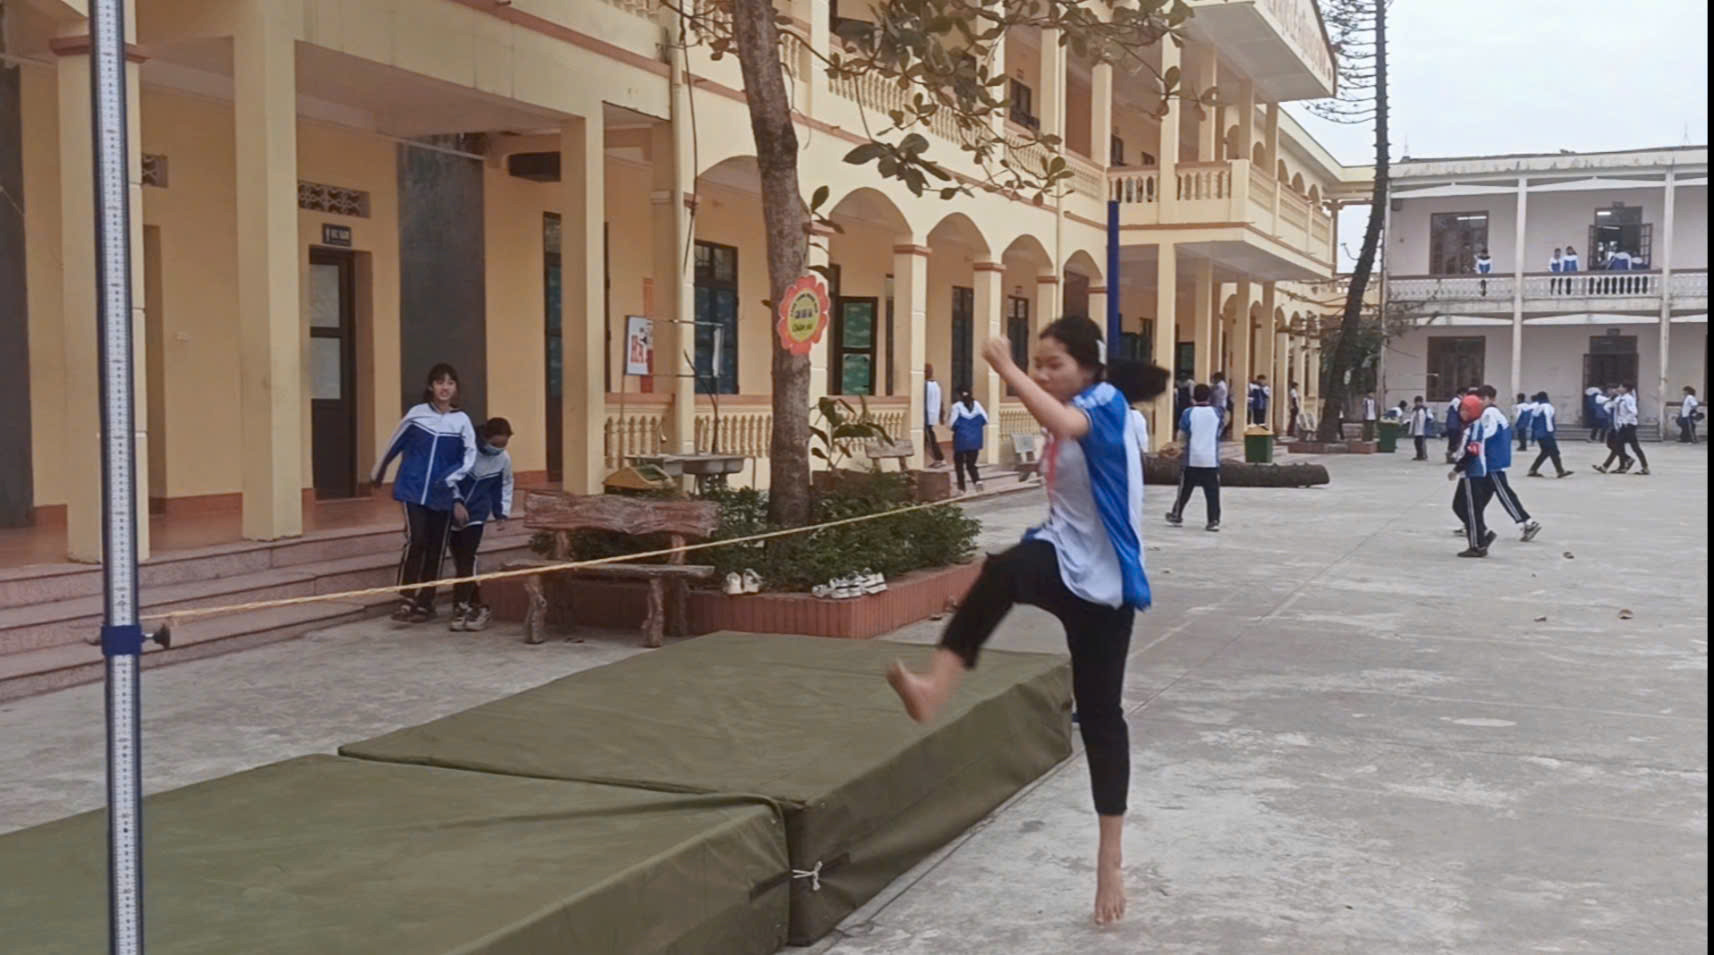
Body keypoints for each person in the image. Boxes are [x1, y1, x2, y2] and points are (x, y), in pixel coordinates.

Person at [886, 316, 1151, 927]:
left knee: (1101, 717)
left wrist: (1005, 368)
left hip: (1107, 587)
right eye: (1037, 363)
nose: (1042, 374)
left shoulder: (1105, 401)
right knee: (1003, 570)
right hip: (1061, 556)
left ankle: (1110, 857)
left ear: (1088, 367)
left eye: (1055, 364)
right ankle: (933, 689)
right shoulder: (1066, 408)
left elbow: (1066, 424)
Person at [374, 363, 478, 623]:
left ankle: (426, 602)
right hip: (412, 489)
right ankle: (407, 597)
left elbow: (469, 458)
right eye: (440, 382)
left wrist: (451, 484)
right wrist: (378, 472)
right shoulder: (417, 414)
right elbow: (394, 443)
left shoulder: (462, 421)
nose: (445, 387)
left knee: (436, 548)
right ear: (430, 386)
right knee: (417, 539)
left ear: (456, 388)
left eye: (450, 382)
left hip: (442, 494)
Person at [448, 417, 515, 632]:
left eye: (504, 444)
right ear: (485, 438)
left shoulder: (503, 459)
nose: (499, 449)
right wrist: (456, 502)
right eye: (495, 444)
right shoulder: (467, 451)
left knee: (468, 557)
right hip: (451, 511)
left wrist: (501, 513)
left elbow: (504, 485)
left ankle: (460, 606)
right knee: (460, 560)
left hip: (477, 514)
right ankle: (476, 604)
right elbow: (450, 478)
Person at [1474, 385, 1542, 542]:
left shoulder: (1490, 412)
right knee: (1481, 495)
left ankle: (1527, 522)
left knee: (1504, 493)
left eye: (1482, 399)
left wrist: (1474, 438)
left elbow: (1488, 432)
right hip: (1493, 459)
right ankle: (1472, 522)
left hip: (1493, 460)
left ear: (1490, 399)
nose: (1480, 402)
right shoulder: (1495, 412)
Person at [1166, 384, 1222, 531]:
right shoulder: (1217, 413)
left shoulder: (1188, 412)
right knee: (1212, 492)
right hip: (1211, 459)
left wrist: (1179, 448)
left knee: (1185, 489)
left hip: (1192, 458)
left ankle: (1177, 514)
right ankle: (1213, 521)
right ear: (1209, 397)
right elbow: (1219, 430)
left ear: (1193, 397)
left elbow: (1182, 434)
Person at [1449, 394, 1494, 558]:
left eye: (1465, 410)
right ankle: (1483, 534)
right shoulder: (1469, 426)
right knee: (1458, 506)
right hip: (1468, 472)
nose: (1462, 413)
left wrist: (1457, 468)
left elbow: (1472, 451)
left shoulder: (1475, 427)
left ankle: (1477, 546)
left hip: (1472, 472)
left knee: (1471, 510)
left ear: (1473, 411)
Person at [1596, 383, 1650, 475]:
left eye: (1620, 387)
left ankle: (1643, 467)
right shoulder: (1619, 398)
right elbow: (1611, 405)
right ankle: (1622, 466)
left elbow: (1634, 412)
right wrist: (1607, 402)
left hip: (1629, 425)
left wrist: (1625, 422)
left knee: (1633, 447)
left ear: (1626, 389)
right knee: (1619, 446)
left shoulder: (1629, 399)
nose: (1618, 388)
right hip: (1621, 426)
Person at [948, 388, 988, 493]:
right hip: (975, 441)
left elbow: (951, 424)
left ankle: (961, 487)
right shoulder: (977, 405)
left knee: (959, 464)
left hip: (961, 440)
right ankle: (977, 481)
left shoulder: (956, 406)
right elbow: (985, 420)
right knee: (971, 464)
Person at [1525, 392, 1572, 479]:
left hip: (1539, 434)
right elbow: (1548, 419)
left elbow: (1532, 421)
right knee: (1554, 451)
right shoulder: (1547, 406)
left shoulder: (1537, 407)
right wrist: (1550, 431)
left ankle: (1533, 470)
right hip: (1546, 433)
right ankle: (1560, 471)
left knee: (1545, 452)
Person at [923, 364, 947, 468]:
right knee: (929, 438)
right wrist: (941, 415)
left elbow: (923, 402)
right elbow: (941, 402)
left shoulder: (926, 385)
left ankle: (939, 458)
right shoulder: (936, 385)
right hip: (932, 415)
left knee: (930, 439)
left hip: (927, 416)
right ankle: (938, 458)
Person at [1444, 388, 1467, 463]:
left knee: (1453, 441)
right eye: (1465, 394)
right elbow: (1460, 412)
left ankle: (1450, 456)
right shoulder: (1456, 401)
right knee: (1454, 441)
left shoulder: (1455, 401)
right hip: (1454, 425)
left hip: (1453, 424)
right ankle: (1451, 456)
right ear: (1462, 393)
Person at [1408, 396, 1432, 460]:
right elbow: (1412, 419)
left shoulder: (1425, 409)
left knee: (1422, 443)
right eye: (1416, 402)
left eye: (1418, 402)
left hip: (1422, 429)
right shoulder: (1414, 410)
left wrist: (1427, 421)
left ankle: (1423, 456)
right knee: (1417, 443)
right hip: (1416, 429)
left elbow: (1430, 417)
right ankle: (1418, 455)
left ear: (1421, 402)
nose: (1417, 403)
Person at [1211, 373, 1231, 439]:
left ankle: (1218, 435)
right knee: (1219, 421)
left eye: (1214, 378)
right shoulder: (1222, 384)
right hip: (1220, 405)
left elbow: (1215, 395)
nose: (1213, 380)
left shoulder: (1220, 385)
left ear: (1218, 378)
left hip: (1219, 406)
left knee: (1219, 422)